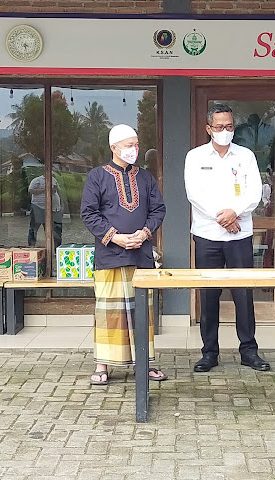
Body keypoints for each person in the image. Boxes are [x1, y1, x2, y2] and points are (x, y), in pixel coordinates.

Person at [184, 103, 269, 373]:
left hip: (240, 236)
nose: (225, 131)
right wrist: (222, 218)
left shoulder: (245, 156)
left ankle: (249, 351)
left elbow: (254, 192)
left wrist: (235, 213)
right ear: (209, 128)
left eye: (229, 126)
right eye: (219, 127)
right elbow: (194, 194)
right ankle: (209, 352)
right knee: (209, 295)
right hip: (207, 235)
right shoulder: (195, 157)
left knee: (243, 293)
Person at [81, 124, 167, 385]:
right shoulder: (97, 177)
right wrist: (114, 236)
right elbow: (88, 213)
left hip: (141, 255)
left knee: (142, 312)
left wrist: (144, 233)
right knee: (109, 312)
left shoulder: (145, 178)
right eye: (129, 145)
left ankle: (145, 363)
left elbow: (158, 210)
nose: (134, 149)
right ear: (114, 147)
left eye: (136, 145)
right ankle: (102, 365)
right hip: (109, 256)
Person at [27, 174, 63, 248]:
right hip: (38, 207)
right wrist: (46, 189)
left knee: (56, 229)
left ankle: (57, 248)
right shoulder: (37, 180)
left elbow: (57, 191)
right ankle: (31, 247)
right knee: (34, 228)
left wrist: (61, 203)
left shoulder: (54, 180)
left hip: (54, 208)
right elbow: (31, 190)